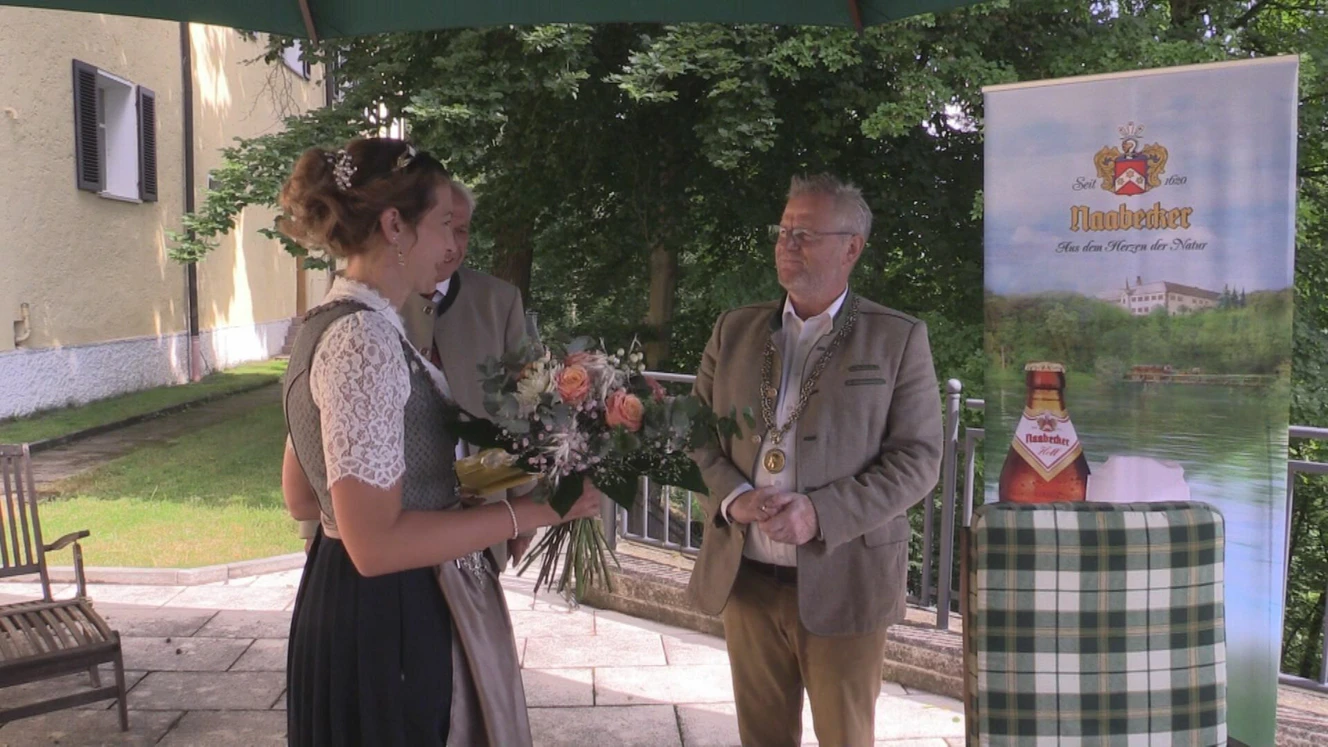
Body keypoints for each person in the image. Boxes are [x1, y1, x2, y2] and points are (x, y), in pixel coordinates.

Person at [277, 137, 600, 746]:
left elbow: (302, 495)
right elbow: (374, 545)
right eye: (444, 224)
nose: (453, 244)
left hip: (344, 595)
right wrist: (537, 510)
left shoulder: (326, 323)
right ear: (395, 226)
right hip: (390, 614)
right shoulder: (366, 342)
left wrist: (507, 478)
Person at [686, 174, 943, 746]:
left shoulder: (896, 338)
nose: (787, 244)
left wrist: (820, 513)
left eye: (805, 233)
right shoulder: (735, 329)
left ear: (851, 248)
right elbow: (696, 434)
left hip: (846, 581)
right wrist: (733, 497)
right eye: (783, 231)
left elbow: (919, 459)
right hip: (747, 578)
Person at [400, 181, 535, 571]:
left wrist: (523, 510)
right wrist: (313, 529)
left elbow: (523, 408)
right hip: (401, 519)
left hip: (484, 512)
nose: (452, 245)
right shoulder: (378, 300)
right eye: (445, 228)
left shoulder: (499, 300)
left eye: (462, 231)